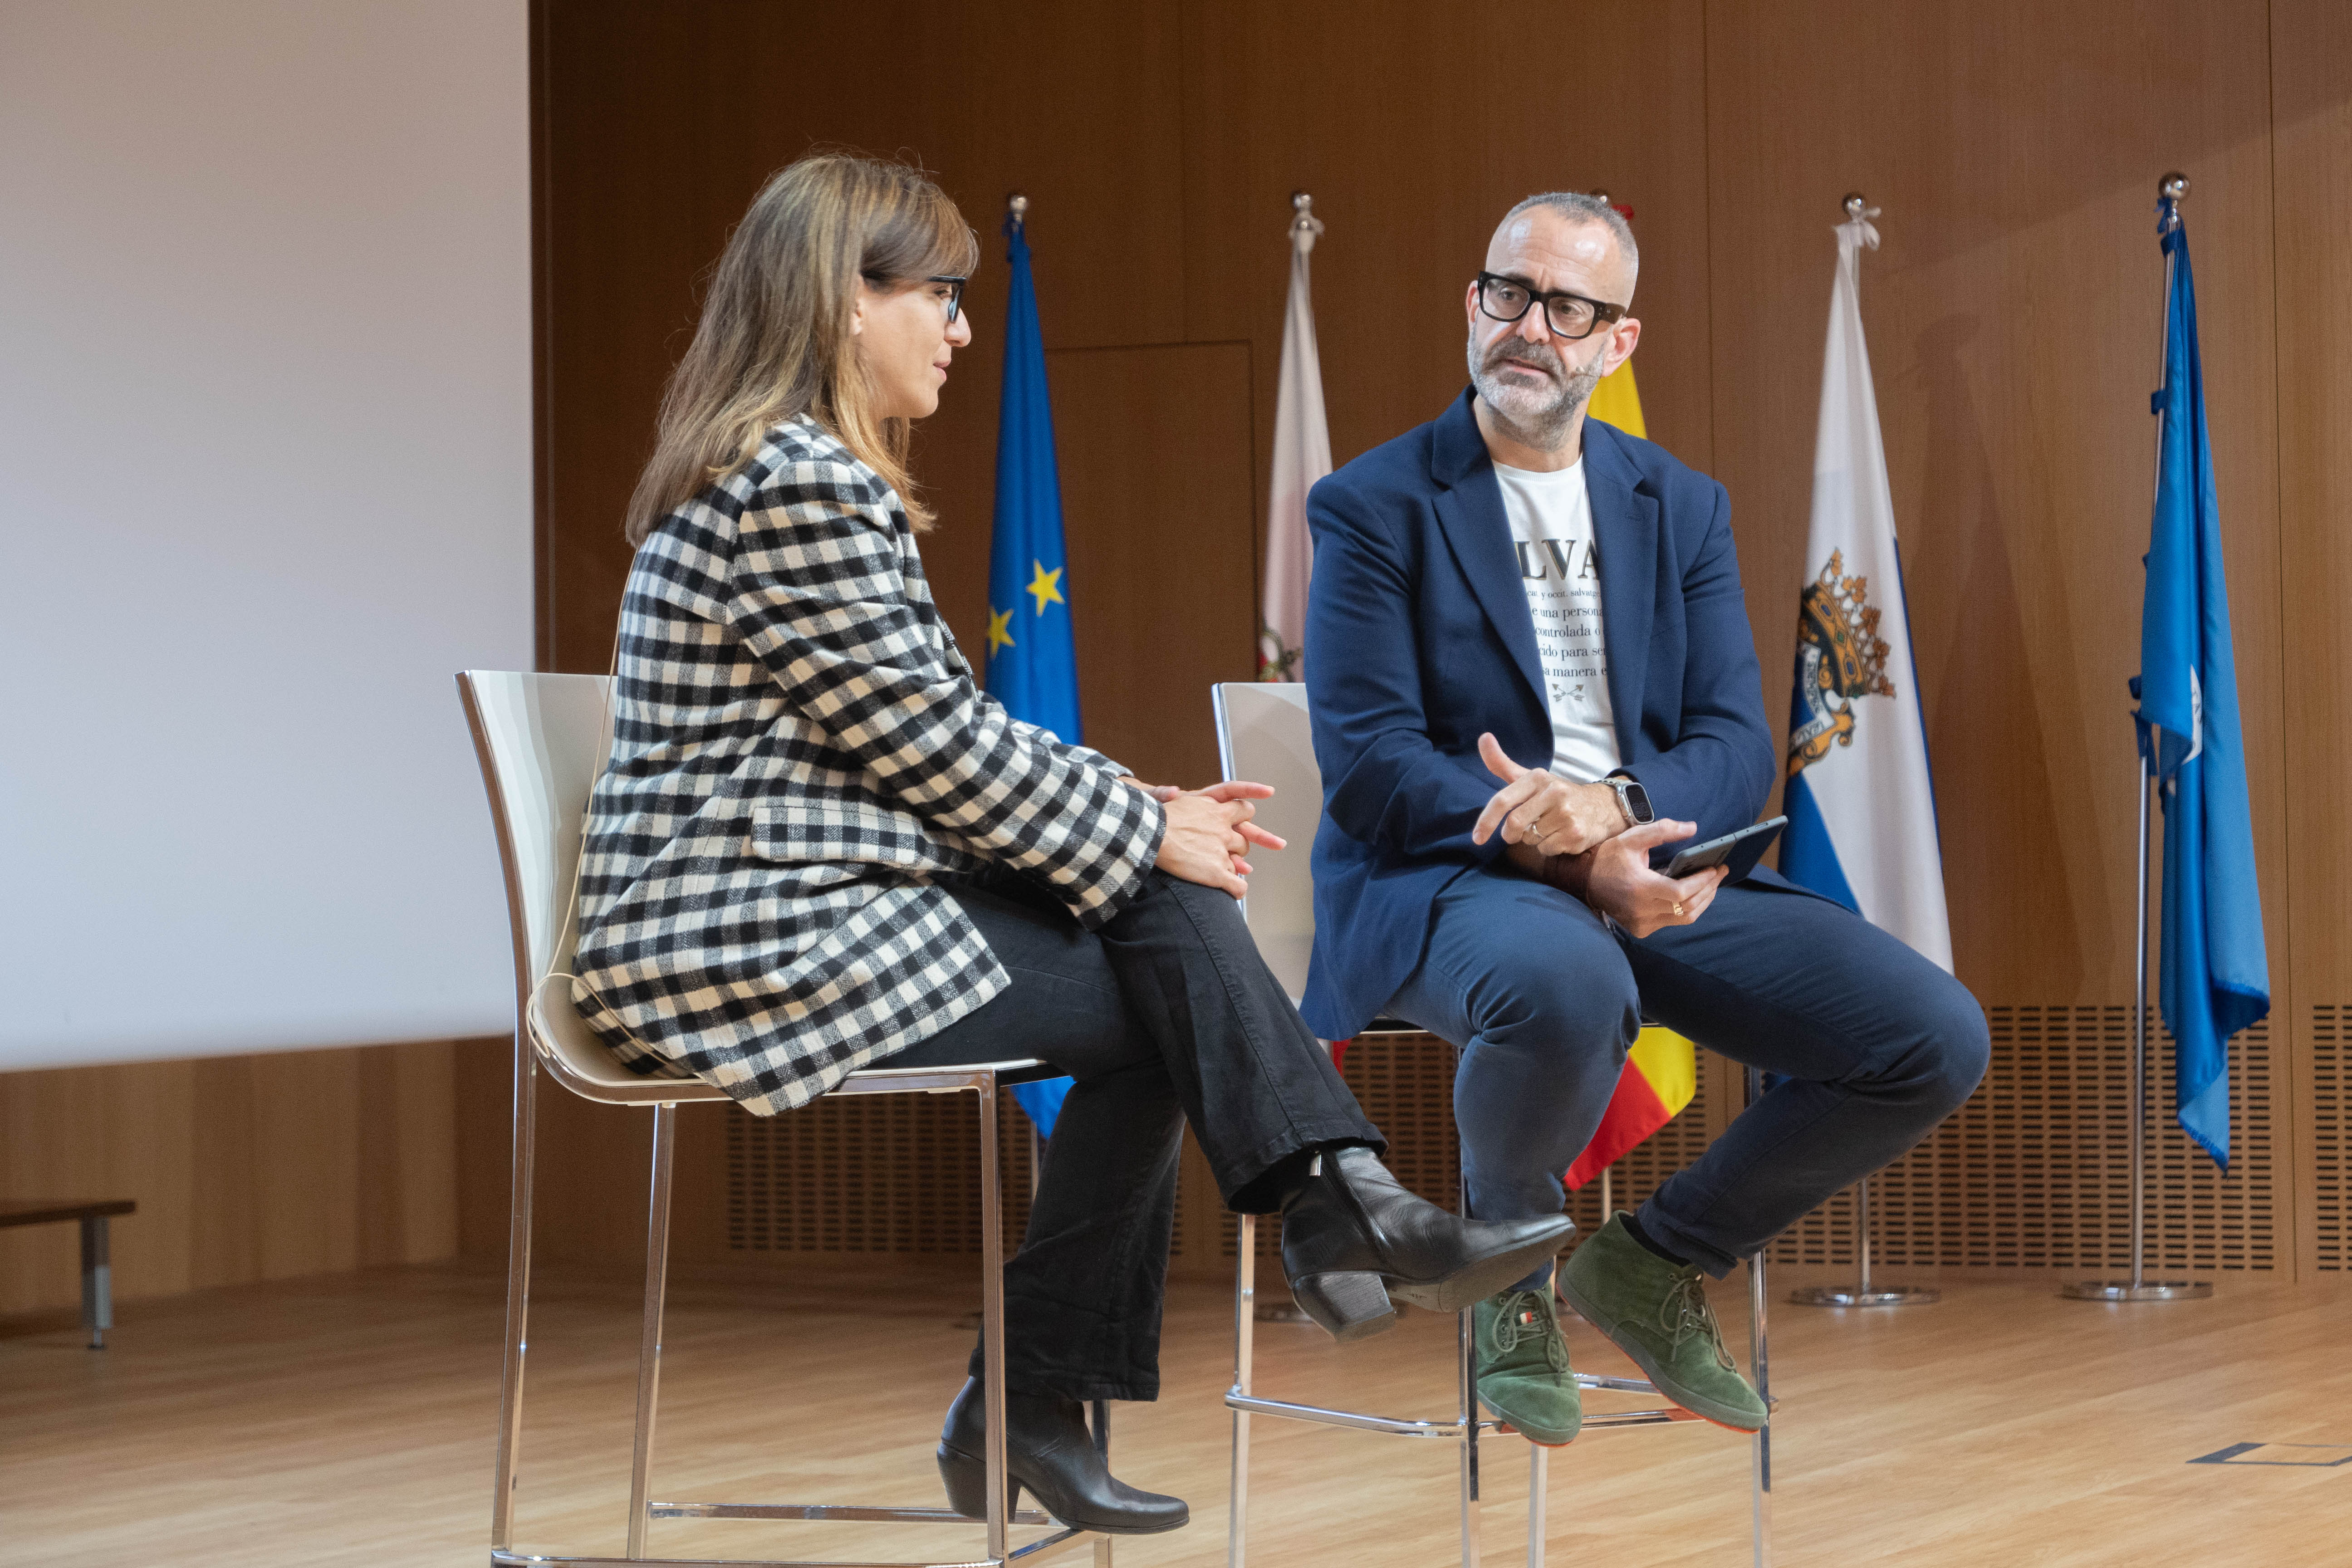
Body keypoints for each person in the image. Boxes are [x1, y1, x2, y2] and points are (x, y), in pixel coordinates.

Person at [567, 153, 1573, 1538]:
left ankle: (1229, 1279)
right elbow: (930, 747)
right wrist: (1147, 825)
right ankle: (1292, 1234)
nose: (962, 329)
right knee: (1169, 968)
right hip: (737, 938)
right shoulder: (796, 482)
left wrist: (1140, 812)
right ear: (844, 302)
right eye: (941, 296)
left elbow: (933, 731)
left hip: (804, 909)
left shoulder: (790, 471)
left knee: (1162, 952)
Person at [1302, 192, 1990, 1446]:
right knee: (1568, 979)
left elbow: (1734, 743)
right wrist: (1551, 837)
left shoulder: (1681, 504)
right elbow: (1370, 767)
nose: (1531, 328)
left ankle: (1654, 1261)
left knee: (1930, 1036)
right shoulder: (1374, 504)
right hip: (1454, 878)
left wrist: (1613, 812)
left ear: (1619, 344)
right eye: (1509, 293)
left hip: (1653, 863)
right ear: (1473, 304)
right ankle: (1505, 1280)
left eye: (1570, 307)